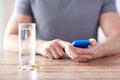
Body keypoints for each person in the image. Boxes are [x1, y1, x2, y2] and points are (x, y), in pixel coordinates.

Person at [4, 0, 120, 61]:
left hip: (88, 68)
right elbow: (9, 39)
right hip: (45, 68)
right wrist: (39, 46)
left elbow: (117, 36)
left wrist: (98, 50)